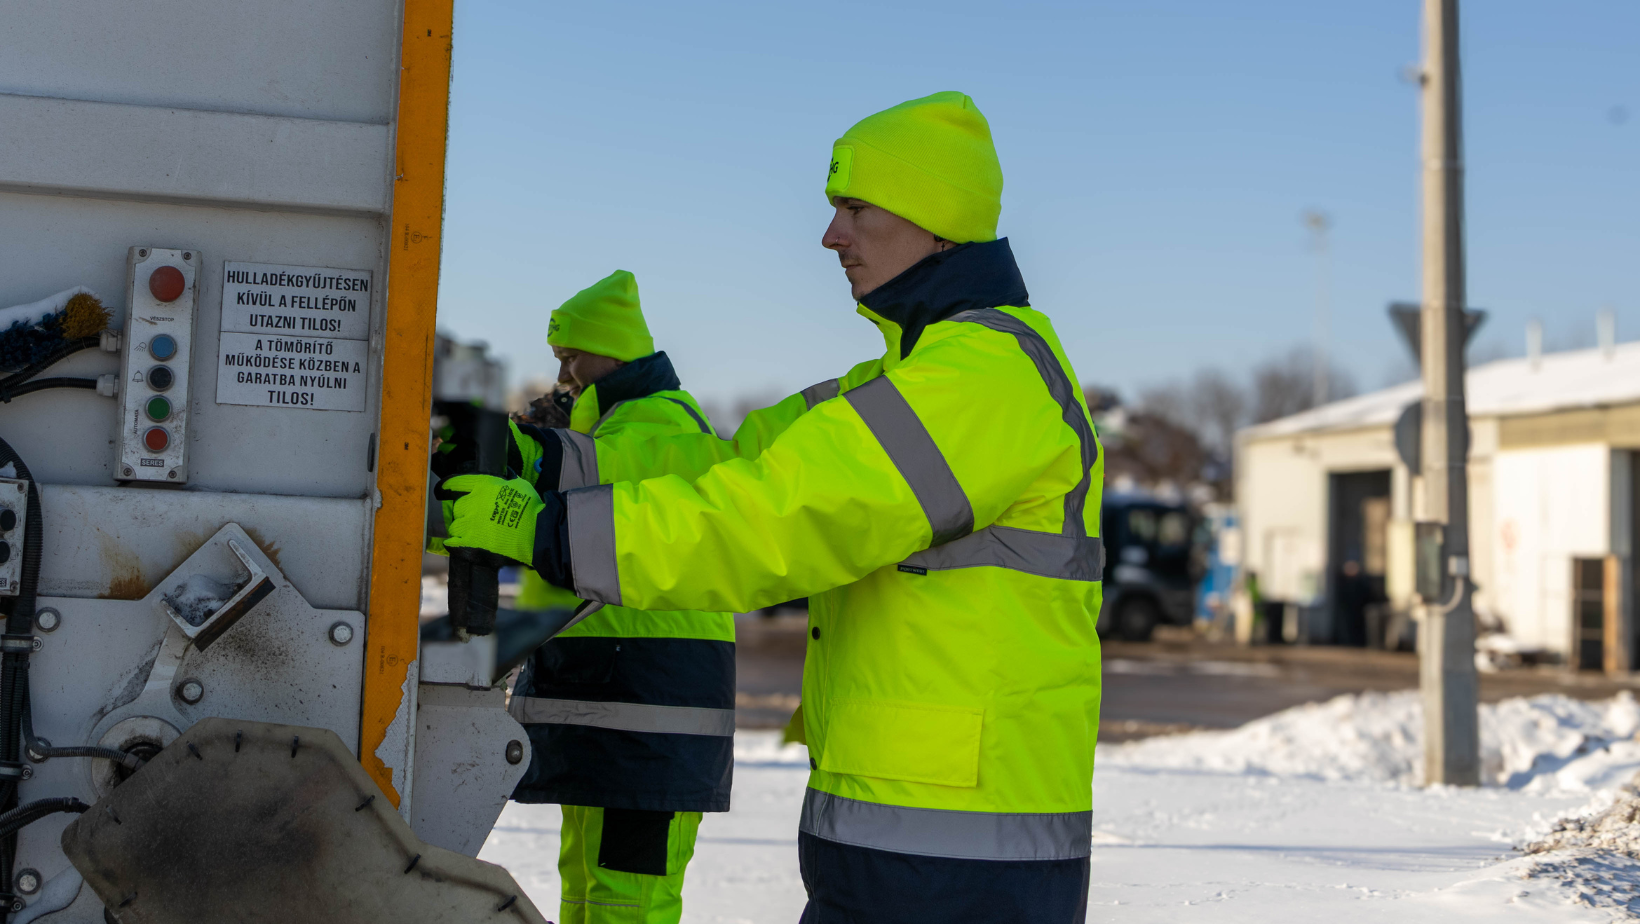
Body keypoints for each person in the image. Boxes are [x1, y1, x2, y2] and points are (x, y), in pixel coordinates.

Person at [442, 92, 1104, 923]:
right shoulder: (898, 382)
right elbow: (720, 463)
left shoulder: (983, 381)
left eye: (855, 208)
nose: (832, 236)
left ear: (935, 218)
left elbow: (776, 517)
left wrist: (549, 533)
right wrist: (535, 461)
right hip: (911, 820)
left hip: (960, 851)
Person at [500, 270, 735, 924]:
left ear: (614, 353)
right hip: (616, 706)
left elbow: (590, 485)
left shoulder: (660, 424)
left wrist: (529, 448)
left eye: (574, 357)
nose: (566, 372)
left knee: (628, 898)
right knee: (587, 883)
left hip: (651, 714)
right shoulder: (614, 426)